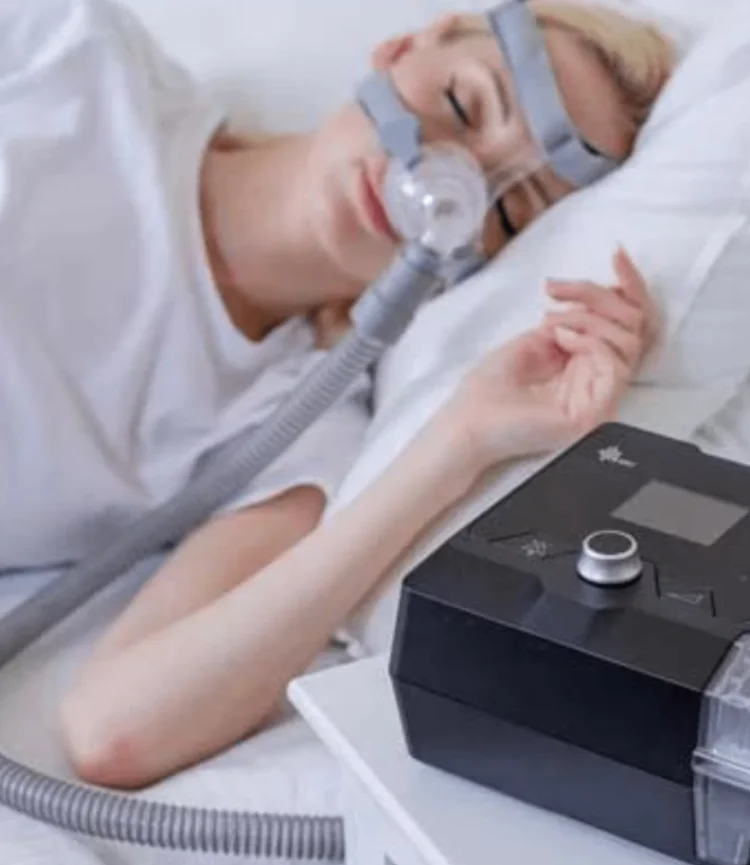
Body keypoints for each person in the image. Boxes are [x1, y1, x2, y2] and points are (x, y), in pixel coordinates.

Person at [0, 0, 676, 788]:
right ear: (405, 47)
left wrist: (459, 441)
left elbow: (111, 730)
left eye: (503, 209)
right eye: (462, 104)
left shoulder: (290, 428)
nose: (441, 169)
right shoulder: (73, 54)